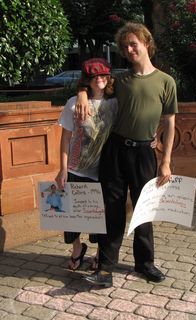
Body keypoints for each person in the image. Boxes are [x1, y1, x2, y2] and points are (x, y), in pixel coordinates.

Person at [76, 22, 178, 288]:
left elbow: (169, 123)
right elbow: (91, 83)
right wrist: (82, 95)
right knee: (113, 210)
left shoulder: (166, 82)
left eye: (134, 43)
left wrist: (165, 161)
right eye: (124, 46)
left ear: (146, 43)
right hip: (115, 151)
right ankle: (105, 268)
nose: (129, 49)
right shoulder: (118, 79)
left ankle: (145, 263)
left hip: (145, 153)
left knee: (144, 211)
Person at [55, 58, 118, 271]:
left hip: (104, 170)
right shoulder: (74, 102)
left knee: (101, 217)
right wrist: (62, 169)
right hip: (75, 167)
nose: (99, 79)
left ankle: (100, 254)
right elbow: (65, 138)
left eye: (103, 75)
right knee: (71, 215)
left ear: (109, 77)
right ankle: (76, 249)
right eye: (94, 76)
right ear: (87, 80)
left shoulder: (116, 102)